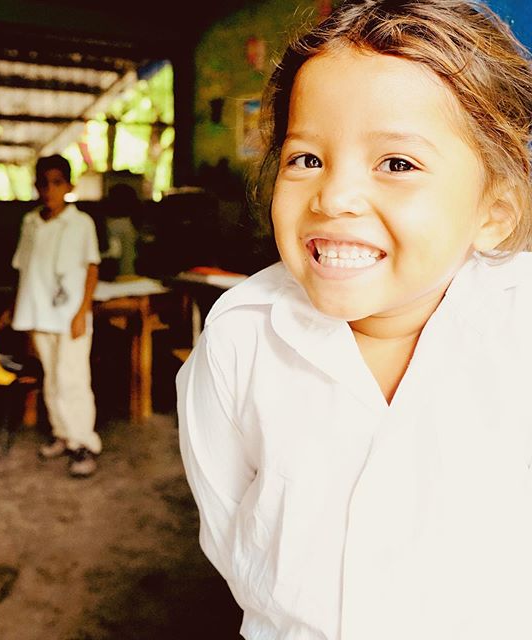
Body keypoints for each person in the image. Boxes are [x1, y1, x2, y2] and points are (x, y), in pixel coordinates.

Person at [176, 1, 532, 638]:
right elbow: (236, 538)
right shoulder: (240, 335)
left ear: (494, 211)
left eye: (397, 164)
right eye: (305, 158)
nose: (333, 196)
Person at [8, 154, 102, 477]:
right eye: (43, 183)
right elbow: (23, 269)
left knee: (72, 377)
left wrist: (82, 311)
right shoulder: (30, 223)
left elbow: (92, 268)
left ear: (69, 186)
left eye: (57, 183)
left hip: (71, 315)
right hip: (39, 313)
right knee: (51, 377)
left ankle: (83, 443)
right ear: (35, 187)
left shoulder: (81, 223)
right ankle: (63, 433)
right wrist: (14, 307)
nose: (49, 190)